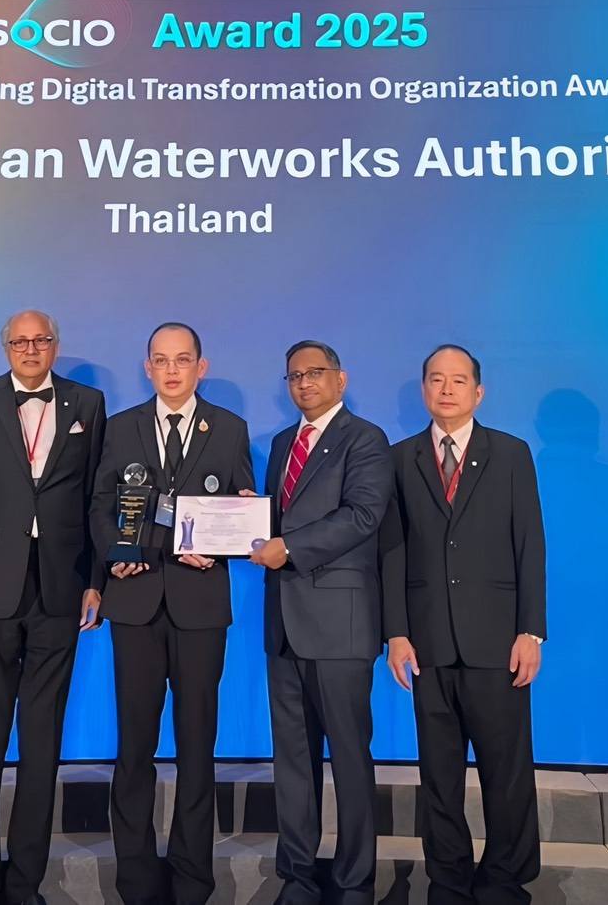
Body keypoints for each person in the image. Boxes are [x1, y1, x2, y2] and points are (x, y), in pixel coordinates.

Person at [0, 309, 106, 905]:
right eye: (20, 341)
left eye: (41, 340)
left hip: (60, 594)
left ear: (56, 345)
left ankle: (24, 883)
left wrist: (95, 580)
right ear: (6, 347)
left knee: (43, 746)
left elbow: (95, 499)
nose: (31, 349)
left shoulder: (88, 404)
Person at [89, 322, 254, 905]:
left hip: (200, 605)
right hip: (134, 603)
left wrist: (227, 540)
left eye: (182, 360)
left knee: (196, 747)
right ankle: (135, 880)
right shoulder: (121, 426)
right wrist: (114, 553)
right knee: (134, 748)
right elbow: (99, 505)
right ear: (147, 367)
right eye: (161, 360)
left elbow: (241, 507)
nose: (172, 370)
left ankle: (192, 880)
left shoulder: (229, 428)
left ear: (200, 367)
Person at [381, 344, 546, 904]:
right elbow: (392, 552)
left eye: (458, 380)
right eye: (436, 379)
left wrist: (531, 630)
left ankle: (504, 880)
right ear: (424, 389)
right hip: (427, 643)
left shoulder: (511, 454)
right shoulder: (400, 458)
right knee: (439, 776)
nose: (446, 389)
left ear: (479, 392)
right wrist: (396, 632)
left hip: (498, 642)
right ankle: (448, 881)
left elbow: (530, 545)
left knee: (507, 774)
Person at [248, 340, 392, 905]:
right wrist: (248, 517)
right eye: (294, 376)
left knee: (350, 757)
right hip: (284, 623)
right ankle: (298, 876)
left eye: (315, 373)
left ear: (341, 378)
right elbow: (280, 519)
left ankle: (355, 880)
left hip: (340, 624)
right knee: (292, 760)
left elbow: (362, 515)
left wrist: (287, 546)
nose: (304, 383)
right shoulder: (284, 443)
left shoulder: (366, 439)